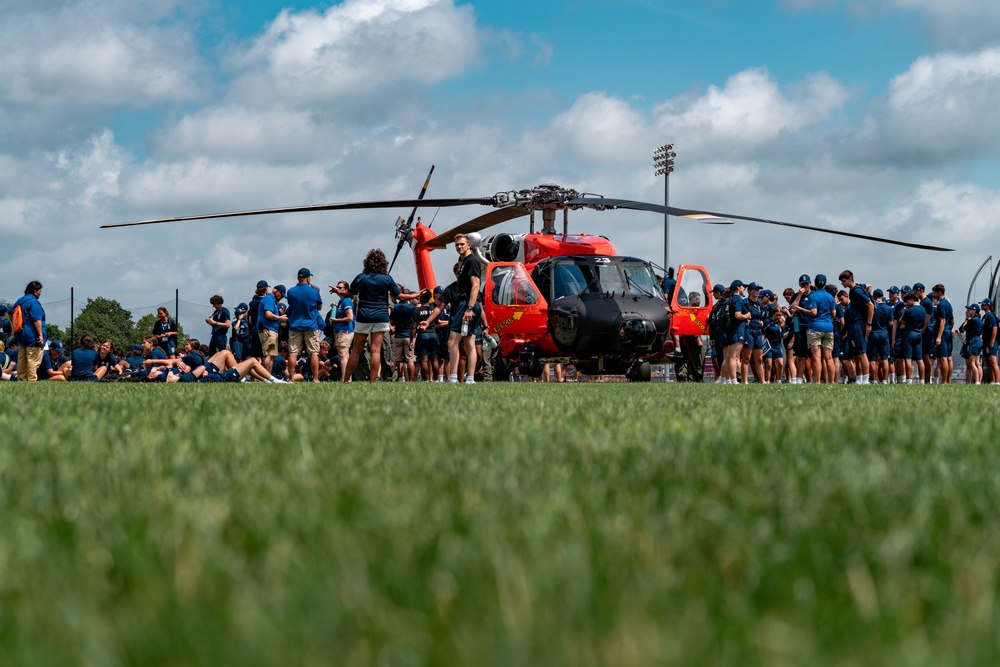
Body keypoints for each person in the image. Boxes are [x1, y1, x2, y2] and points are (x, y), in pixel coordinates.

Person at [331, 248, 423, 384]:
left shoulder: (360, 278)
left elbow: (349, 294)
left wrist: (337, 290)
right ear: (383, 264)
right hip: (381, 316)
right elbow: (399, 295)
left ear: (367, 263)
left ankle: (345, 380)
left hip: (363, 316)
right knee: (376, 351)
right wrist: (416, 295)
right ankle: (373, 382)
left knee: (355, 351)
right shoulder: (387, 279)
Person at [286, 268, 324, 383]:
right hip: (311, 326)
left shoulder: (291, 291)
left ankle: (291, 378)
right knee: (313, 353)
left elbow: (291, 304)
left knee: (293, 353)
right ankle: (316, 379)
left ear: (298, 278)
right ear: (308, 278)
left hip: (295, 325)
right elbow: (320, 307)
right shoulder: (314, 292)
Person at [838, 270, 874, 384]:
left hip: (858, 323)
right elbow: (869, 286)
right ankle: (859, 379)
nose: (842, 284)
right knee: (856, 354)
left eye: (843, 281)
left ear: (850, 279)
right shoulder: (856, 289)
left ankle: (866, 379)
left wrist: (868, 324)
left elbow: (870, 306)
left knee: (862, 353)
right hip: (853, 324)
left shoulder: (857, 291)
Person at [12, 280, 46, 381]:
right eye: (40, 290)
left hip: (21, 334)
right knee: (33, 359)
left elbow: (11, 313)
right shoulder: (34, 302)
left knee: (22, 358)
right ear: (35, 291)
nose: (40, 293)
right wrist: (40, 335)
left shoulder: (20, 300)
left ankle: (22, 379)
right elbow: (36, 320)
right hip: (32, 335)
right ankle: (31, 380)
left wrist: (16, 326)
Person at [257, 284, 288, 372]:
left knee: (271, 356)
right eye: (281, 294)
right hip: (268, 330)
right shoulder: (269, 299)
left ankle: (269, 377)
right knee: (268, 355)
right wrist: (280, 318)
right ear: (276, 291)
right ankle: (266, 377)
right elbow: (268, 315)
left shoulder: (272, 301)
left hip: (272, 330)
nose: (281, 297)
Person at [389, 285, 417, 381]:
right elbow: (414, 324)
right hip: (409, 336)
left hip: (398, 335)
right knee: (410, 360)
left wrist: (392, 326)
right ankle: (411, 380)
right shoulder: (412, 308)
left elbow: (391, 322)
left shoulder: (395, 307)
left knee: (395, 360)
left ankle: (388, 377)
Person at [980, 298, 999, 384]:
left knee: (993, 362)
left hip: (990, 341)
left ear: (988, 305)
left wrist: (992, 340)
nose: (982, 306)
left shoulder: (990, 316)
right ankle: (992, 380)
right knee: (988, 362)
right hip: (986, 341)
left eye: (983, 304)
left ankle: (997, 381)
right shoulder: (985, 316)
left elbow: (994, 328)